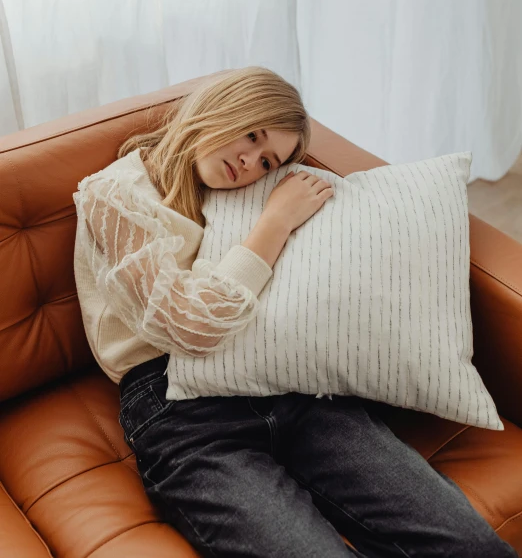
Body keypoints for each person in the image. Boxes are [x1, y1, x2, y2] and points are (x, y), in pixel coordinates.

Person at [73, 66, 516, 558]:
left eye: (268, 161)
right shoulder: (114, 194)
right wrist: (276, 222)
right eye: (252, 134)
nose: (251, 161)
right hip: (179, 409)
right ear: (222, 107)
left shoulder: (249, 190)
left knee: (470, 545)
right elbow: (185, 327)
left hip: (292, 384)